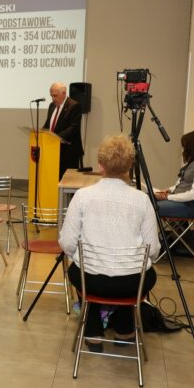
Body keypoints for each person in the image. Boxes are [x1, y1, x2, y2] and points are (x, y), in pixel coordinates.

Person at [59, 135, 159, 351]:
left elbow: (67, 243)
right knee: (144, 274)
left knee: (77, 270)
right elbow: (153, 250)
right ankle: (124, 329)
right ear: (130, 166)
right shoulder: (142, 200)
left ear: (100, 166)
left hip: (91, 280)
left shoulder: (82, 196)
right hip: (133, 282)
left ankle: (94, 330)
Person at [155, 130, 194, 218]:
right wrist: (168, 190)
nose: (184, 150)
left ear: (193, 147)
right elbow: (182, 184)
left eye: (185, 147)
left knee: (148, 207)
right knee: (145, 198)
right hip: (180, 202)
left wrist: (167, 197)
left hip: (188, 206)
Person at [42, 82, 83, 178]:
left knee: (70, 183)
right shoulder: (52, 106)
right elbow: (48, 124)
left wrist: (56, 138)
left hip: (69, 152)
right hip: (53, 150)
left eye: (55, 96)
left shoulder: (74, 106)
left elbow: (73, 128)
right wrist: (41, 132)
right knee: (54, 180)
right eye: (51, 96)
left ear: (64, 93)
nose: (53, 99)